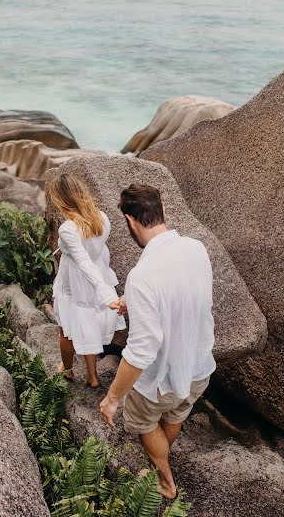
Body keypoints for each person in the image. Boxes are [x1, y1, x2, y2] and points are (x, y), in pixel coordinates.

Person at [100, 184, 215, 499]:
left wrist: (112, 399)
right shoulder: (196, 248)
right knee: (176, 414)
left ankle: (165, 481)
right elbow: (185, 293)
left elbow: (140, 352)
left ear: (130, 222)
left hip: (160, 379)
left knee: (144, 422)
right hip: (199, 367)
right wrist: (132, 301)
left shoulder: (143, 275)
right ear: (161, 212)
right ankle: (163, 457)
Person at [47, 173, 126, 388]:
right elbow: (100, 251)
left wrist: (105, 293)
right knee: (88, 323)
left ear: (61, 200)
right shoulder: (102, 217)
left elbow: (82, 261)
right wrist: (104, 283)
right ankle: (93, 377)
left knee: (66, 328)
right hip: (97, 272)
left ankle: (69, 370)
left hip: (75, 281)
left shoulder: (67, 228)